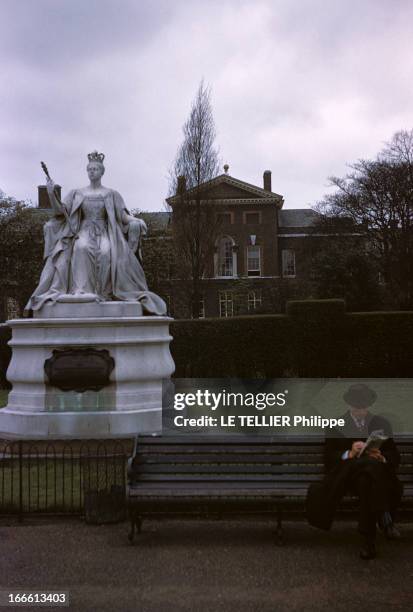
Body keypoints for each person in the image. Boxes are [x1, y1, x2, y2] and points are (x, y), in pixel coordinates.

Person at [25, 152, 166, 316]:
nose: (92, 172)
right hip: (83, 230)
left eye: (95, 169)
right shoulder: (77, 193)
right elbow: (60, 212)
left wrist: (136, 220)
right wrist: (51, 193)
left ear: (102, 172)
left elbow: (122, 216)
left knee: (106, 252)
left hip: (104, 231)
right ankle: (81, 291)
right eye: (90, 169)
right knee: (81, 248)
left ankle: (103, 294)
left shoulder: (111, 194)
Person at [307, 383, 403, 560]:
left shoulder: (381, 423)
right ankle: (385, 518)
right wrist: (349, 453)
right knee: (368, 471)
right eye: (357, 405)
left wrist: (381, 457)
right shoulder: (336, 425)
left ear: (369, 405)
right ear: (349, 405)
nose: (360, 409)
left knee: (367, 480)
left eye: (364, 405)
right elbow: (329, 458)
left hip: (371, 480)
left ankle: (369, 542)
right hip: (348, 478)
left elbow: (394, 454)